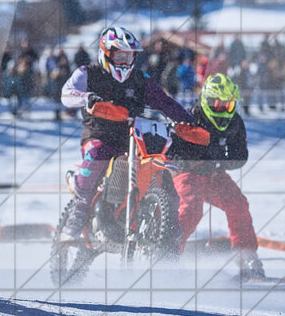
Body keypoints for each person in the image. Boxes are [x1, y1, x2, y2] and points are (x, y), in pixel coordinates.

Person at [59, 26, 196, 242]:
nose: (125, 61)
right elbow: (66, 94)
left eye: (129, 56)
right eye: (120, 55)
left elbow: (165, 102)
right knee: (97, 156)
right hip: (99, 135)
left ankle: (166, 223)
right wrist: (86, 98)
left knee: (159, 167)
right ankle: (77, 216)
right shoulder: (88, 73)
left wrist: (189, 121)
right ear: (106, 54)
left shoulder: (140, 79)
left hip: (133, 137)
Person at [168, 73, 264, 281]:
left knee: (238, 204)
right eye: (219, 104)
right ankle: (168, 255)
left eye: (228, 106)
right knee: (192, 208)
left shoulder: (235, 123)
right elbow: (171, 150)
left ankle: (247, 257)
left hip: (213, 174)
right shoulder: (190, 117)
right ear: (207, 101)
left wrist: (216, 164)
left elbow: (240, 157)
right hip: (186, 172)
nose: (223, 110)